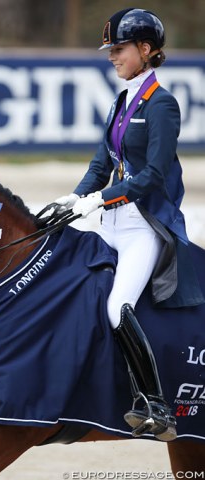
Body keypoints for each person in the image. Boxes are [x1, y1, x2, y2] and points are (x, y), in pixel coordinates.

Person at [52, 8, 204, 441]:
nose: (112, 57)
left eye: (118, 50)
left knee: (118, 309)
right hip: (110, 219)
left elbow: (153, 175)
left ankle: (155, 404)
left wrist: (99, 199)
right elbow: (102, 163)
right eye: (111, 50)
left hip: (145, 226)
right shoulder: (121, 102)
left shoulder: (163, 104)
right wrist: (73, 200)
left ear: (145, 49)